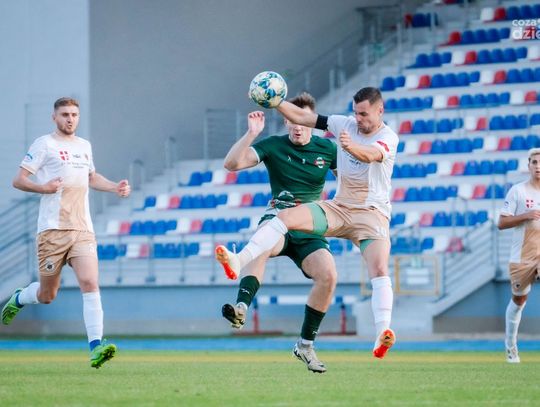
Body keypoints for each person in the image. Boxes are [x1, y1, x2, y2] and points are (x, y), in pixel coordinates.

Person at [216, 87, 398, 359]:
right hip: (339, 207)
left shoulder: (387, 137)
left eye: (363, 114)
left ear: (379, 111)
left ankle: (382, 333)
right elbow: (301, 116)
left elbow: (371, 155)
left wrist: (350, 147)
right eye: (355, 113)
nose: (358, 119)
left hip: (371, 214)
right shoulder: (342, 125)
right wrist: (275, 100)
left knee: (376, 269)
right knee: (282, 219)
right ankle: (239, 265)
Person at [1, 97, 131, 368]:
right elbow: (19, 180)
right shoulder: (44, 144)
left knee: (90, 282)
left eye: (74, 114)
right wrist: (44, 188)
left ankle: (96, 346)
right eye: (64, 115)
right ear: (54, 117)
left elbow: (91, 177)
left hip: (82, 229)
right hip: (52, 231)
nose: (70, 119)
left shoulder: (84, 146)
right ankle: (21, 297)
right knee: (47, 295)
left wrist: (114, 187)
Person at [219, 92, 338, 373]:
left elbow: (349, 182)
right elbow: (231, 164)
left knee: (329, 276)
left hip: (309, 227)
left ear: (312, 122)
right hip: (277, 219)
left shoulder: (328, 149)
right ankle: (241, 309)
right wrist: (251, 133)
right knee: (262, 241)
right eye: (291, 120)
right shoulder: (273, 145)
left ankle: (305, 345)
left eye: (302, 121)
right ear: (285, 121)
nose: (297, 126)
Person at [498, 148, 540, 364]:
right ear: (529, 165)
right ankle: (511, 347)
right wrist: (526, 215)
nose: (538, 166)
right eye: (534, 162)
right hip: (522, 257)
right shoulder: (518, 191)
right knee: (519, 300)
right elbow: (502, 222)